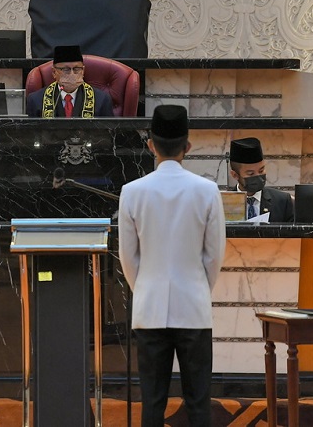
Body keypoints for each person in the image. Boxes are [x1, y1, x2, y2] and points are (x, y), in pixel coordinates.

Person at [118, 105, 226, 427]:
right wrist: (197, 287)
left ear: (150, 144)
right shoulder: (207, 191)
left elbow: (128, 257)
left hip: (149, 308)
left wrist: (146, 287)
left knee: (151, 402)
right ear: (187, 146)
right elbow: (214, 254)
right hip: (193, 305)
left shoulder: (131, 192)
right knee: (198, 401)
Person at [26, 44, 115, 117]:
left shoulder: (102, 99)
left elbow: (107, 135)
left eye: (76, 69)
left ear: (83, 71)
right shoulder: (36, 100)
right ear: (54, 72)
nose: (72, 74)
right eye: (66, 69)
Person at [228, 137, 293, 222]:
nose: (258, 176)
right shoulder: (224, 203)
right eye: (251, 173)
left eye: (261, 170)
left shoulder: (282, 201)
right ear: (235, 175)